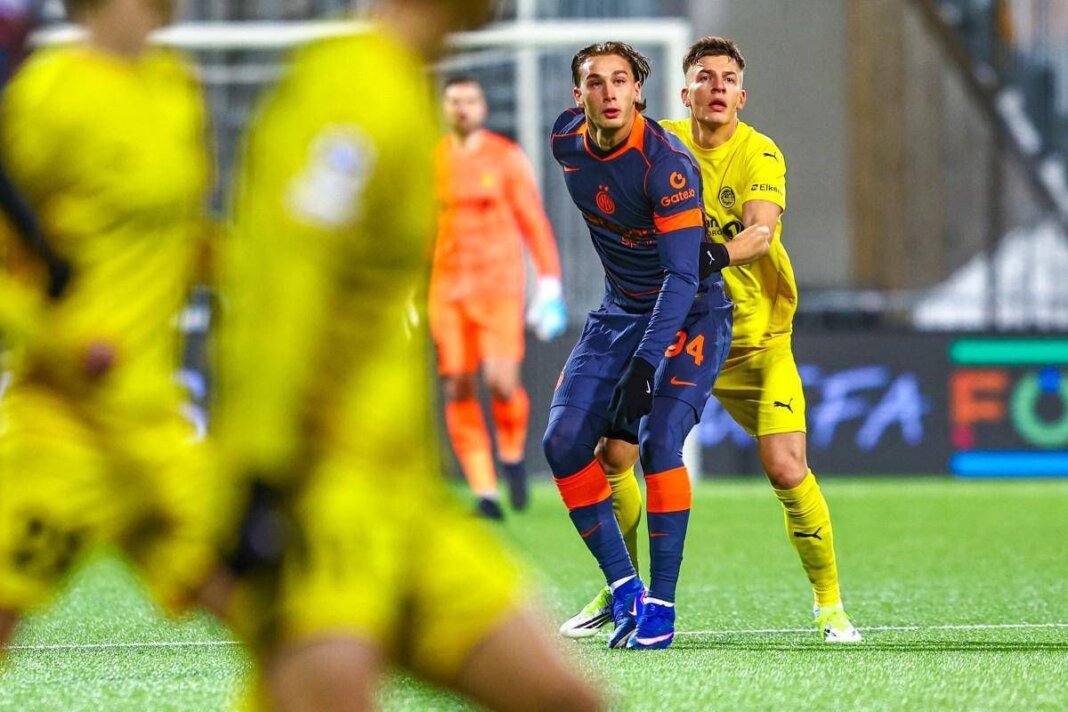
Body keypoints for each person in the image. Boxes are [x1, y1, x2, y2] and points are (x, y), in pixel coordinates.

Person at [215, 0, 602, 708]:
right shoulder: (352, 90)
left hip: (403, 497)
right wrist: (261, 474)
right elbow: (287, 285)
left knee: (564, 697)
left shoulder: (406, 91)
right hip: (324, 492)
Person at [561, 36, 862, 644]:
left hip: (753, 340)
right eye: (705, 76)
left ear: (742, 97)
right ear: (684, 92)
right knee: (613, 458)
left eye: (729, 79)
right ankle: (623, 590)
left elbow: (759, 234)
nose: (717, 86)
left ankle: (829, 605)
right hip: (677, 329)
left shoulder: (760, 153)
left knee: (786, 468)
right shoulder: (659, 144)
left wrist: (708, 256)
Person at [0, 0, 219, 649]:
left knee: (283, 619)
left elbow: (186, 238)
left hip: (154, 426)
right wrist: (61, 340)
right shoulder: (46, 95)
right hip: (66, 423)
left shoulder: (176, 87)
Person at [544, 41, 770, 651]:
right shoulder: (565, 141)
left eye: (621, 81)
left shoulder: (666, 166)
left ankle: (661, 610)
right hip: (620, 310)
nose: (609, 92)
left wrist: (646, 364)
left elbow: (682, 275)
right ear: (578, 97)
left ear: (639, 93)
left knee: (658, 441)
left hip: (691, 311)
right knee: (563, 443)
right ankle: (624, 589)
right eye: (596, 82)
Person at [431, 75, 565, 519]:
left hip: (498, 288)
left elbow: (533, 220)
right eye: (455, 100)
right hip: (447, 290)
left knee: (500, 382)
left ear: (483, 107)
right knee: (457, 384)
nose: (462, 108)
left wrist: (549, 282)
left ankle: (511, 453)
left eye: (470, 100)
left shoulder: (505, 158)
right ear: (445, 108)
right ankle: (485, 491)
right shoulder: (432, 161)